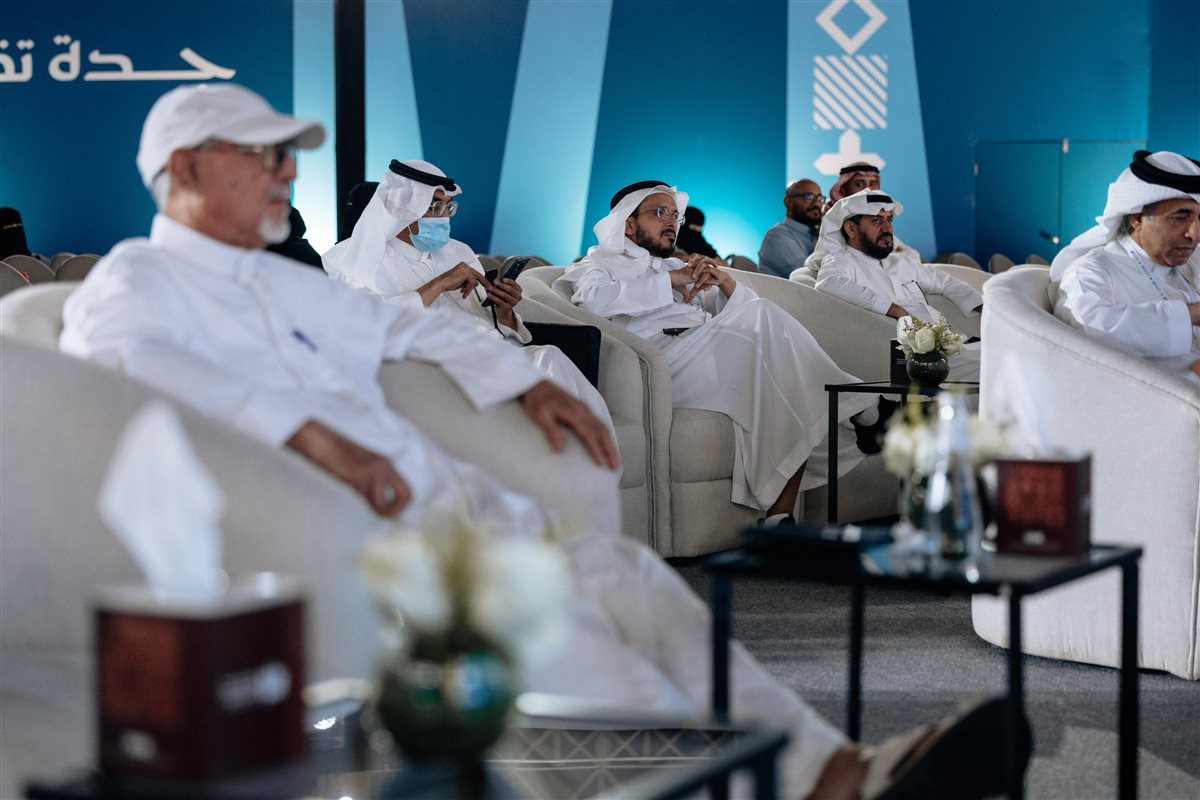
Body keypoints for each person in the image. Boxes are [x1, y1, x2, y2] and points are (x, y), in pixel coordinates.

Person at [59, 84, 1022, 800]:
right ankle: (725, 786)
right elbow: (141, 373)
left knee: (626, 576)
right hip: (310, 531)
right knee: (544, 621)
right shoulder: (134, 282)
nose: (284, 175)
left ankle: (829, 773)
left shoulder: (280, 283)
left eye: (284, 159)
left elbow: (407, 331)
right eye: (262, 157)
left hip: (429, 506)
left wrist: (524, 379)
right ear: (186, 169)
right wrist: (313, 434)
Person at [556, 180, 886, 524]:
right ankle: (864, 406)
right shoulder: (598, 265)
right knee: (765, 321)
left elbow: (734, 311)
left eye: (675, 215)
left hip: (707, 352)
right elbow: (594, 302)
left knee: (788, 380)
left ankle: (780, 518)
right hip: (660, 365)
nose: (671, 222)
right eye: (659, 213)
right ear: (627, 223)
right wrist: (671, 281)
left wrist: (723, 282)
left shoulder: (671, 267)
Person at [321, 159, 615, 435]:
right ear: (404, 209)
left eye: (448, 207)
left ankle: (595, 462)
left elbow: (489, 322)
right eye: (435, 207)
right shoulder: (351, 259)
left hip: (493, 356)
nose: (443, 218)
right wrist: (440, 283)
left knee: (550, 358)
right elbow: (369, 327)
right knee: (546, 368)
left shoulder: (458, 252)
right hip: (433, 368)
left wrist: (504, 311)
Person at [1051, 150, 1200, 382]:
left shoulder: (1189, 264)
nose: (1194, 234)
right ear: (1137, 218)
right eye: (1180, 217)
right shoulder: (1091, 269)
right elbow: (1084, 328)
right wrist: (1191, 314)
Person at [806, 190, 983, 381]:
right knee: (995, 368)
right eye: (876, 220)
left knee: (1004, 353)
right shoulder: (841, 261)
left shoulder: (900, 262)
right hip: (918, 361)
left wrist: (986, 307)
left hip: (953, 345)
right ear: (851, 229)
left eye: (889, 219)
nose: (887, 227)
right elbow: (829, 283)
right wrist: (895, 310)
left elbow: (946, 282)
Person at [820, 162, 921, 263]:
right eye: (859, 184)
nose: (867, 189)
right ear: (844, 189)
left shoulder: (882, 229)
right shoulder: (829, 225)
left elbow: (913, 257)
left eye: (872, 184)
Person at [758, 179, 824, 278]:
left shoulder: (818, 234)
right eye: (809, 197)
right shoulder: (776, 236)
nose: (817, 203)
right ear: (788, 202)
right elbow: (809, 277)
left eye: (819, 198)